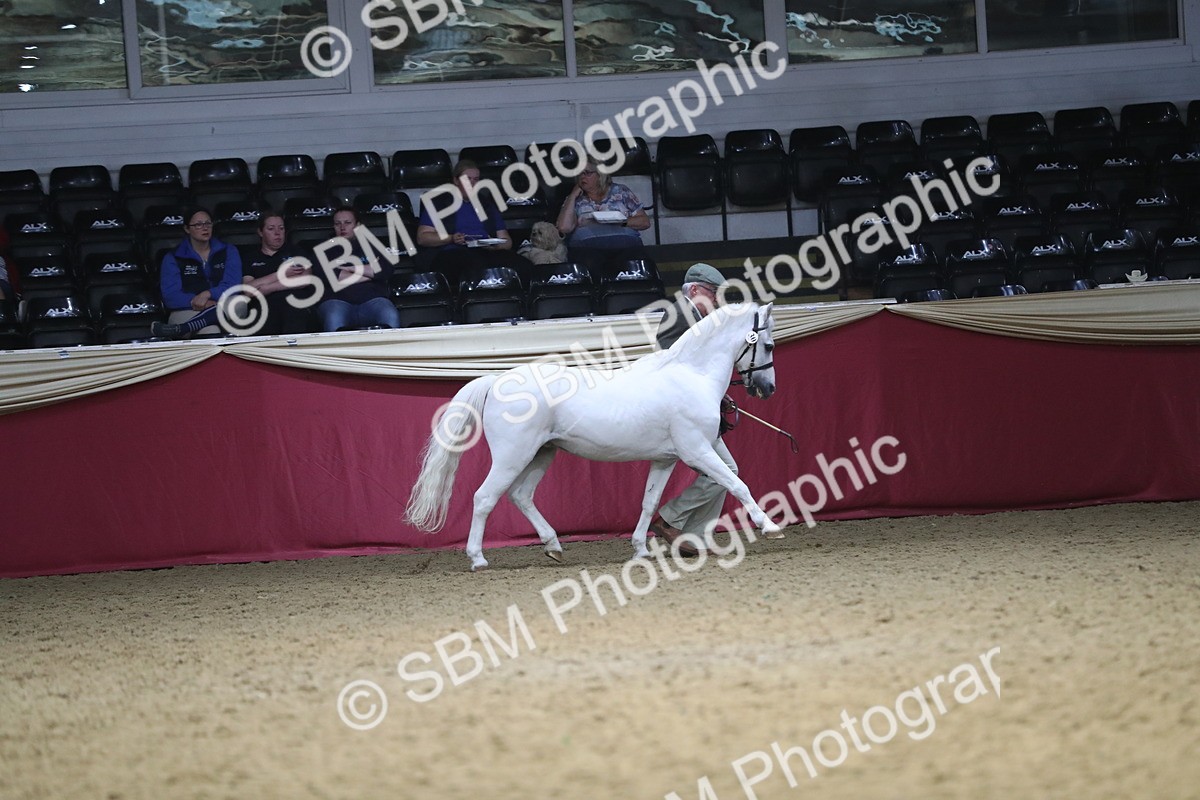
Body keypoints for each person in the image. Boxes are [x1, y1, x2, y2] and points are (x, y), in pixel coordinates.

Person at [649, 263, 740, 557]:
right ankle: (671, 520)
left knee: (726, 471)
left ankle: (693, 537)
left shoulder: (697, 316)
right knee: (726, 471)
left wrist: (719, 395)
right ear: (697, 290)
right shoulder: (680, 313)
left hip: (691, 410)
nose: (716, 300)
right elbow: (669, 358)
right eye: (713, 293)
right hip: (683, 414)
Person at [415, 159, 533, 287]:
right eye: (467, 179)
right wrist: (451, 238)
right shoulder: (438, 203)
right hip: (452, 252)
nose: (472, 183)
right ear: (456, 181)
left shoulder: (486, 204)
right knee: (476, 265)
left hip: (486, 250)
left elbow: (506, 240)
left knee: (524, 266)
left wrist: (496, 246)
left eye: (475, 179)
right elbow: (423, 237)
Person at [152, 206, 242, 338]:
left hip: (223, 307)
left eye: (208, 223)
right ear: (187, 229)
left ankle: (181, 329)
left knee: (240, 303)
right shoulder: (173, 257)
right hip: (187, 310)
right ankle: (191, 324)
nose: (205, 228)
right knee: (210, 330)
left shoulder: (229, 251)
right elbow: (171, 296)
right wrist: (200, 302)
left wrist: (209, 294)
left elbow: (233, 285)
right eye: (198, 224)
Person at [315, 206, 401, 332]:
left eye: (348, 223)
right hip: (336, 301)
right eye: (338, 224)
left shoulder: (373, 245)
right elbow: (333, 278)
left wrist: (350, 268)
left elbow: (386, 271)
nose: (342, 227)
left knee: (390, 314)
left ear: (358, 225)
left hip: (373, 300)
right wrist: (369, 271)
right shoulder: (323, 249)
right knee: (334, 317)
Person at [555, 157, 651, 270]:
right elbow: (563, 227)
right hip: (587, 249)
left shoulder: (621, 191)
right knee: (588, 262)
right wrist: (572, 196)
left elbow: (645, 222)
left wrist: (621, 222)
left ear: (600, 174)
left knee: (635, 262)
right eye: (579, 173)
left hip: (626, 247)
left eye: (587, 173)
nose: (582, 177)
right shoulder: (575, 199)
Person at [238, 211, 315, 335]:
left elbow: (305, 279)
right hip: (263, 308)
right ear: (260, 232)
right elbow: (248, 290)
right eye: (271, 229)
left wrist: (269, 287)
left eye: (281, 228)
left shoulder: (296, 252)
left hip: (295, 305)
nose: (277, 233)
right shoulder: (250, 258)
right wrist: (281, 274)